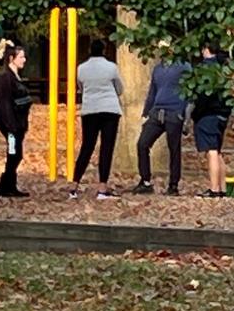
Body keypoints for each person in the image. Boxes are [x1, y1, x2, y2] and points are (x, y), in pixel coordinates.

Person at [69, 38, 124, 199]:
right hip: (109, 109)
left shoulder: (81, 69)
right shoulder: (111, 67)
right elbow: (119, 89)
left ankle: (74, 185)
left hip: (90, 109)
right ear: (104, 51)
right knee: (106, 148)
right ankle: (102, 187)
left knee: (87, 147)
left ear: (89, 51)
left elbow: (81, 87)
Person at [134, 48, 191, 195]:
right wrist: (146, 111)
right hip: (157, 112)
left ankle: (173, 185)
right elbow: (152, 91)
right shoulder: (158, 69)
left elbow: (191, 92)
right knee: (142, 144)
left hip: (174, 112)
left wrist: (186, 116)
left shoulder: (184, 66)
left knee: (174, 149)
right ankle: (145, 181)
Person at [192, 44, 234, 197]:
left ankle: (214, 189)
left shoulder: (204, 69)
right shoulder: (224, 68)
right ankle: (222, 188)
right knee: (217, 151)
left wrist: (196, 113)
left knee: (211, 152)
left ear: (205, 49)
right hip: (222, 114)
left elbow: (203, 95)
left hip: (208, 114)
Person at [0, 42, 32, 198]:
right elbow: (5, 102)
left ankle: (9, 185)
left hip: (18, 122)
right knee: (14, 152)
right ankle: (6, 186)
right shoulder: (6, 78)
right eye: (21, 57)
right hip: (11, 124)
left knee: (15, 153)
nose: (24, 60)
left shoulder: (14, 77)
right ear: (11, 58)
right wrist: (11, 125)